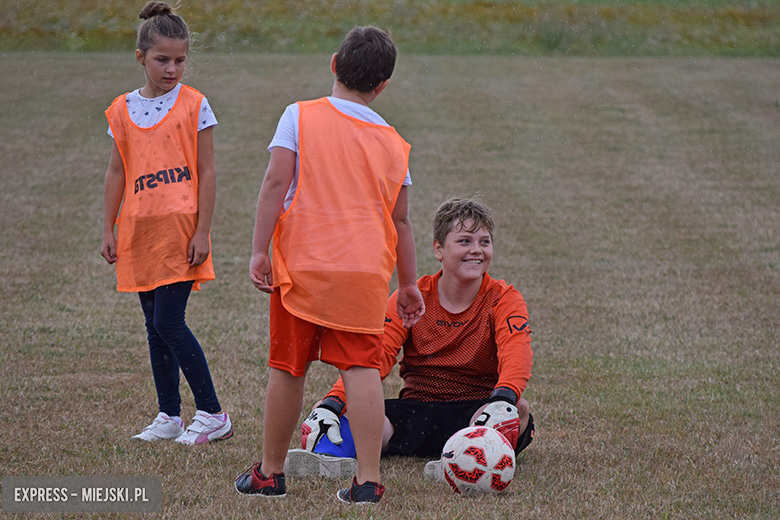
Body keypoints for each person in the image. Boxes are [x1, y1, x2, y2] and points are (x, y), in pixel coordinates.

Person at [233, 26, 425, 503]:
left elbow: (276, 183)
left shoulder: (299, 116)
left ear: (334, 64)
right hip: (363, 276)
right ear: (382, 87)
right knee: (361, 370)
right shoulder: (395, 143)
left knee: (288, 367)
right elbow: (401, 222)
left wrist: (259, 250)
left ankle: (270, 473)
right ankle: (367, 481)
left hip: (303, 269)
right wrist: (407, 284)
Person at [287, 198, 534, 481]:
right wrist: (334, 401)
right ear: (438, 249)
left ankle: (461, 465)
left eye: (484, 242)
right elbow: (376, 356)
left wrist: (504, 397)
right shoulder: (413, 296)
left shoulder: (504, 298)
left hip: (476, 409)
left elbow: (516, 351)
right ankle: (328, 457)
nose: (476, 250)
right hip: (416, 409)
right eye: (464, 241)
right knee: (361, 413)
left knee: (518, 410)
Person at [100, 1, 232, 445]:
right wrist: (108, 227)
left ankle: (213, 413)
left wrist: (202, 231)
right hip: (139, 230)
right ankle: (169, 415)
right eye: (162, 60)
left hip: (180, 231)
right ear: (141, 58)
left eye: (179, 60)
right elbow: (117, 172)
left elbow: (208, 173)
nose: (172, 68)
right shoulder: (121, 109)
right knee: (153, 324)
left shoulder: (195, 105)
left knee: (169, 323)